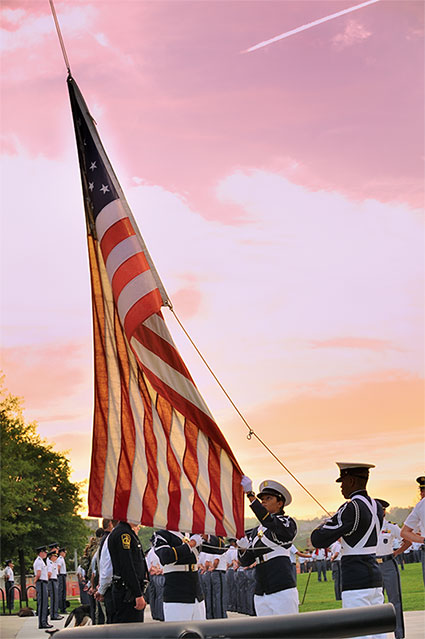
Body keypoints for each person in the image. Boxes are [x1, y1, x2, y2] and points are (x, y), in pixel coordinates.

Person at [311, 463, 384, 639]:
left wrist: (325, 523)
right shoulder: (377, 506)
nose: (341, 487)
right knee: (378, 632)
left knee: (358, 632)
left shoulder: (351, 507)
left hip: (355, 576)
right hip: (374, 573)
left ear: (351, 481)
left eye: (342, 482)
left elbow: (317, 539)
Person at [238, 476, 298, 616]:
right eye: (262, 499)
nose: (263, 501)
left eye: (268, 498)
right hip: (261, 590)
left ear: (280, 503)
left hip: (281, 588)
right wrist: (243, 546)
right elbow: (246, 561)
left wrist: (251, 496)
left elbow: (270, 522)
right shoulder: (255, 531)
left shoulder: (287, 522)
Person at [153, 530, 205, 622]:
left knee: (199, 632)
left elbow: (216, 549)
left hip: (196, 593)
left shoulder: (190, 533)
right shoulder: (162, 535)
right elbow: (166, 556)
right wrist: (190, 545)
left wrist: (206, 537)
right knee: (178, 632)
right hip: (177, 594)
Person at [375, 499, 404, 639]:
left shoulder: (391, 527)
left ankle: (399, 634)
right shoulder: (369, 527)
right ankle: (379, 634)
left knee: (394, 600)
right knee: (376, 602)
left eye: (381, 510)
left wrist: (397, 552)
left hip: (388, 564)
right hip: (373, 566)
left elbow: (407, 540)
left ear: (384, 512)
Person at [108, 521, 147, 623]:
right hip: (128, 593)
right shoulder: (124, 534)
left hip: (127, 591)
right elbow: (127, 566)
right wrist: (137, 594)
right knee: (131, 630)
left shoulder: (126, 532)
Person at [401, 475, 425, 584]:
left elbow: (404, 532)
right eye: (421, 491)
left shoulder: (420, 505)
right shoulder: (420, 506)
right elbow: (404, 532)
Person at [34, 546, 52, 629]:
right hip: (41, 582)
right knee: (42, 603)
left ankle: (44, 621)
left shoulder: (41, 561)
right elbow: (38, 573)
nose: (45, 554)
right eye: (44, 552)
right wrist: (35, 581)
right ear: (40, 552)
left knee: (45, 603)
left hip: (43, 582)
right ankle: (42, 622)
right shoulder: (38, 561)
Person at [47, 550, 62, 620]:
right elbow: (49, 574)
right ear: (51, 556)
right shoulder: (49, 563)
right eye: (55, 556)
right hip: (52, 581)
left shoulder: (53, 563)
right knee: (54, 598)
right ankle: (53, 614)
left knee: (56, 598)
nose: (56, 557)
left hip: (54, 580)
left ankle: (55, 613)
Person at [57, 548, 68, 614]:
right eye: (64, 552)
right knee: (61, 592)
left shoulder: (61, 559)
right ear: (61, 552)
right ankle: (62, 608)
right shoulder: (60, 559)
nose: (65, 554)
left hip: (63, 575)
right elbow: (58, 568)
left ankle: (63, 607)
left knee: (63, 592)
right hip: (61, 575)